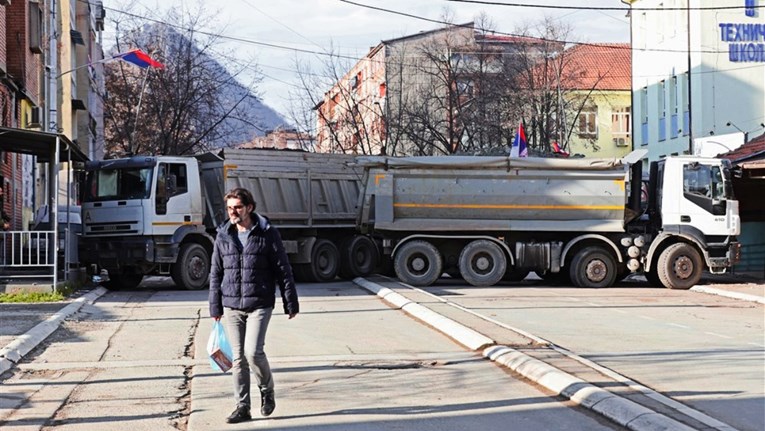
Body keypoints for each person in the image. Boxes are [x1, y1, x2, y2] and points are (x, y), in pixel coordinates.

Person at [208, 187, 299, 424]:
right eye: (230, 208)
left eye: (237, 207)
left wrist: (290, 301)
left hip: (260, 302)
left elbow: (283, 269)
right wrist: (214, 306)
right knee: (238, 358)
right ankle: (242, 406)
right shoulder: (223, 235)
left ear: (249, 207)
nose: (233, 212)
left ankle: (267, 390)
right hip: (232, 305)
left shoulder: (268, 234)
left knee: (253, 352)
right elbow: (216, 272)